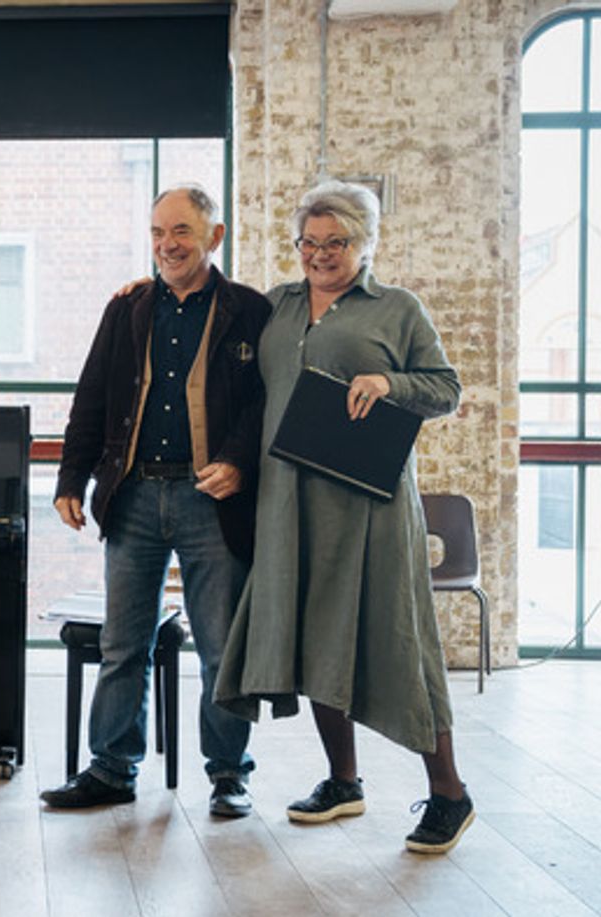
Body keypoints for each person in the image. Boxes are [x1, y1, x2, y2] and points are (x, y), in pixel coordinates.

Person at [213, 180, 473, 854]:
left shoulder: (396, 309)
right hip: (289, 504)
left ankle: (450, 791)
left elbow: (445, 388)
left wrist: (391, 383)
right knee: (315, 635)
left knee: (399, 639)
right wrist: (142, 291)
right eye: (310, 242)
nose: (321, 254)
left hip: (369, 509)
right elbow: (214, 328)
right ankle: (343, 779)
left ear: (364, 244)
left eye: (337, 242)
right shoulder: (277, 305)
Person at [40, 185, 271, 816]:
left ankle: (229, 774)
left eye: (182, 233)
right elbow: (93, 396)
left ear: (214, 237)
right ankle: (112, 770)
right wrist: (69, 479)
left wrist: (238, 462)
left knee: (222, 647)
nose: (167, 245)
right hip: (134, 495)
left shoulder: (251, 311)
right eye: (158, 233)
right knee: (124, 643)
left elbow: (265, 405)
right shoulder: (129, 308)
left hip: (210, 501)